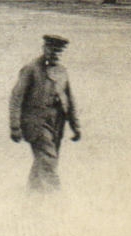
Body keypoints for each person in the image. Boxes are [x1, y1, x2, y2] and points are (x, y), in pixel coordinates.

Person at [9, 34, 80, 191]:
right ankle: (56, 199)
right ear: (44, 48)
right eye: (51, 50)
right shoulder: (31, 69)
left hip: (57, 123)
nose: (55, 54)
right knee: (49, 161)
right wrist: (15, 127)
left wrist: (76, 126)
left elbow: (70, 99)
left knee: (44, 161)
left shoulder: (62, 71)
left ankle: (32, 195)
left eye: (59, 52)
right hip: (36, 123)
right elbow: (16, 98)